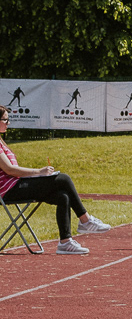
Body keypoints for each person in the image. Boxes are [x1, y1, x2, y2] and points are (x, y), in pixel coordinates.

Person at [0, 105, 110, 254]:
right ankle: (85, 220)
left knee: (62, 196)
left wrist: (39, 175)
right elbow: (9, 170)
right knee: (63, 179)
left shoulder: (2, 142)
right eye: (5, 120)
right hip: (9, 191)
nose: (8, 123)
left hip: (18, 185)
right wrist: (38, 172)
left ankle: (65, 242)